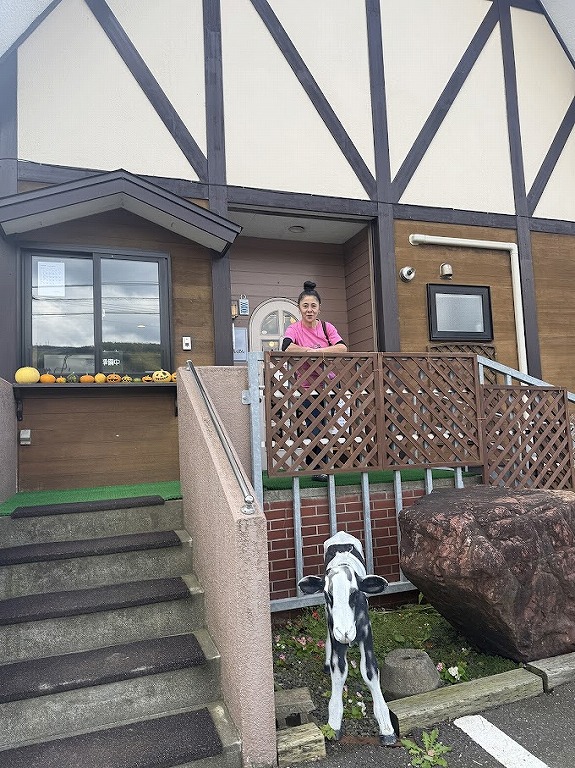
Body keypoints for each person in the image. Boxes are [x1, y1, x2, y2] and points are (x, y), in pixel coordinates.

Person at [282, 281, 347, 482]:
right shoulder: (294, 329)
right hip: (306, 386)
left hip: (329, 385)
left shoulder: (327, 327)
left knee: (326, 426)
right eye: (305, 306)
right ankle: (318, 469)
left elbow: (342, 347)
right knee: (314, 425)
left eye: (313, 306)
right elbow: (286, 347)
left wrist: (319, 352)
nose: (309, 310)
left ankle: (320, 467)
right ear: (299, 308)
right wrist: (309, 351)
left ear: (319, 308)